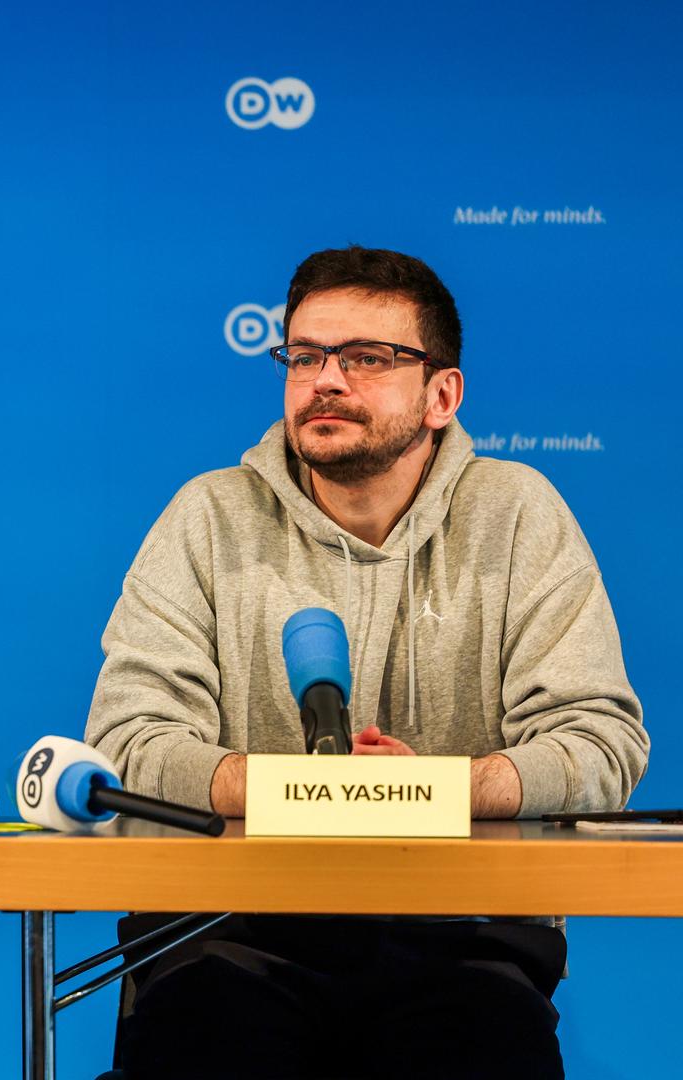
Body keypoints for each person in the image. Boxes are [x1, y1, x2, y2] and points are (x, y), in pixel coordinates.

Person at [87, 245, 648, 1079]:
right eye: (305, 356)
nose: (325, 379)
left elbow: (600, 746)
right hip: (228, 934)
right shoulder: (208, 517)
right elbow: (130, 742)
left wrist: (432, 790)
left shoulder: (517, 513)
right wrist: (311, 791)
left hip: (460, 936)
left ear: (441, 395)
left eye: (367, 359)